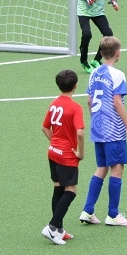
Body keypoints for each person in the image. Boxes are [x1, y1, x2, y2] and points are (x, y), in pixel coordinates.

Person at [79, 36, 127, 227]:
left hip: (98, 128)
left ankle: (88, 210)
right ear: (118, 53)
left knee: (102, 166)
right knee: (117, 167)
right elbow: (117, 102)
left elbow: (89, 101)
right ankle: (113, 214)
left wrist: (95, 121)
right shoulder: (118, 74)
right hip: (114, 129)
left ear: (102, 53)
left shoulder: (94, 73)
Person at [41, 69, 85, 245]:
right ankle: (52, 227)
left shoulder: (54, 104)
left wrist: (55, 143)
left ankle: (59, 230)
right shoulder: (75, 107)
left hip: (53, 151)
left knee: (58, 188)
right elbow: (80, 133)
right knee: (71, 191)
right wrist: (80, 153)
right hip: (67, 154)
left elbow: (45, 127)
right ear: (75, 86)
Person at [77, 0, 120, 74]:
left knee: (108, 34)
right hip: (84, 11)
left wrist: (114, 0)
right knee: (87, 34)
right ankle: (84, 61)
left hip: (98, 11)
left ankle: (96, 60)